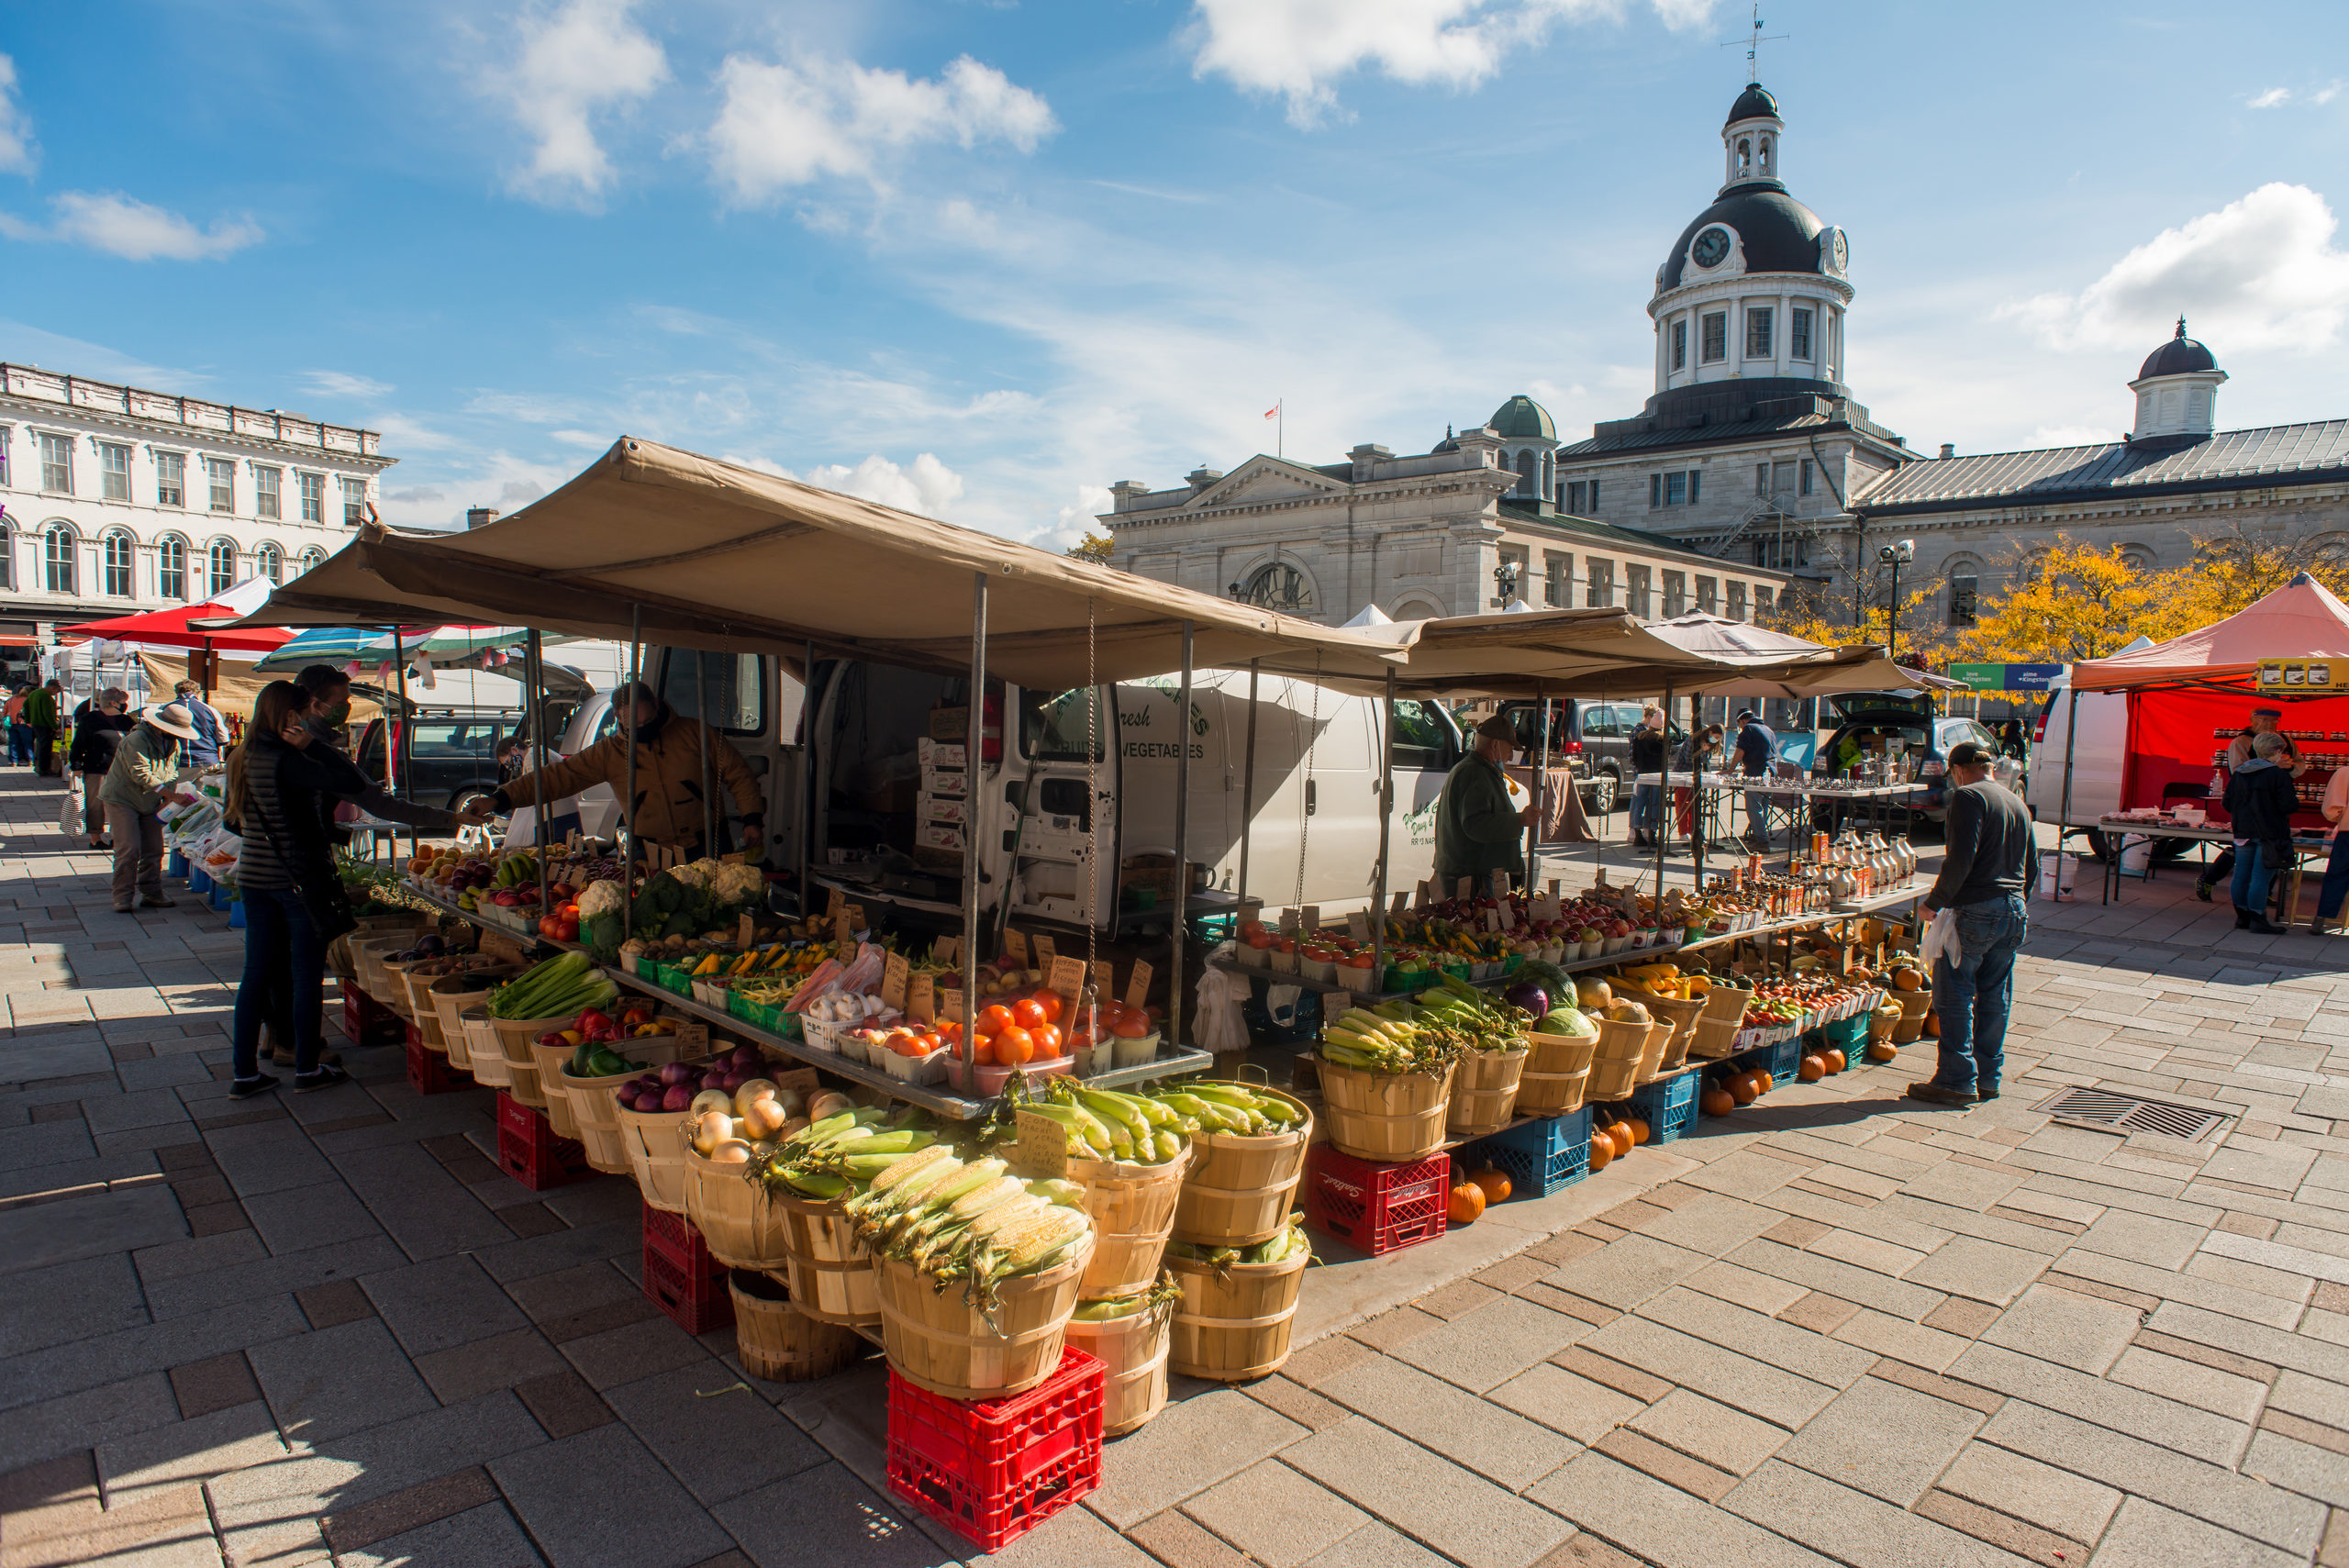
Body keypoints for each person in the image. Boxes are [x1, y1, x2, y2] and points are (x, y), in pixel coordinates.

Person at [225, 682, 478, 1099]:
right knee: (306, 974)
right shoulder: (291, 759)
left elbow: (234, 822)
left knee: (256, 974)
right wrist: (316, 746)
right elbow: (349, 780)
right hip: (297, 880)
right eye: (305, 714)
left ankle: (244, 1074)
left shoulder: (242, 755)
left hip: (254, 879)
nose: (310, 721)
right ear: (291, 716)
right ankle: (307, 1068)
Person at [488, 681, 764, 861]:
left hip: (707, 840)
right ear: (619, 718)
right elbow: (559, 777)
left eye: (647, 720)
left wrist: (752, 818)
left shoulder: (694, 733)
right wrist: (500, 798)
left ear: (657, 706)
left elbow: (738, 773)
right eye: (634, 725)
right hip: (650, 850)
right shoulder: (609, 752)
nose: (642, 729)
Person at [1909, 740, 2035, 1106]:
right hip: (2014, 908)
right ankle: (1988, 1078)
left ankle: (1956, 1079)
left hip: (1977, 908)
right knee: (1996, 996)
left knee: (1955, 994)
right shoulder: (2017, 802)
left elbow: (1960, 858)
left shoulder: (1968, 797)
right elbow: (2032, 867)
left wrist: (1933, 903)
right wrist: (2015, 901)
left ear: (1958, 769)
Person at [98, 702, 204, 912]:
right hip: (123, 799)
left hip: (150, 800)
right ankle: (122, 896)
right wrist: (171, 795)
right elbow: (140, 773)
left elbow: (172, 773)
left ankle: (152, 892)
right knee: (129, 848)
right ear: (160, 726)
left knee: (154, 849)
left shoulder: (173, 744)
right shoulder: (137, 739)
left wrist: (167, 799)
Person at [2199, 709, 2304, 900]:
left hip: (2270, 810)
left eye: (2274, 720)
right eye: (2264, 719)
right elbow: (2239, 771)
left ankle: (2260, 899)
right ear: (2252, 720)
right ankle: (2247, 902)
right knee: (2248, 860)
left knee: (2266, 856)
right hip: (2249, 808)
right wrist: (2273, 768)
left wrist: (2288, 768)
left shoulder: (2286, 741)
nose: (2269, 723)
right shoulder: (2241, 742)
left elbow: (2299, 765)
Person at [1434, 714, 1538, 892]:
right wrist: (1520, 820)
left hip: (1470, 871)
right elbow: (1475, 824)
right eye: (1510, 747)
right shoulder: (1475, 773)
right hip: (1468, 875)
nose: (1511, 754)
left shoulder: (1478, 770)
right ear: (1495, 744)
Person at [2222, 731, 2299, 936]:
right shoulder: (2277, 775)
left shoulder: (2240, 773)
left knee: (2241, 874)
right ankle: (2258, 917)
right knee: (2260, 877)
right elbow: (2289, 805)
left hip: (2243, 831)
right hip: (2269, 832)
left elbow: (2227, 803)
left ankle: (2242, 916)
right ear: (2277, 751)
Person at [69, 688, 137, 850]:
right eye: (122, 702)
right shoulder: (90, 719)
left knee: (121, 804)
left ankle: (116, 835)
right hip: (97, 768)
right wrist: (76, 765)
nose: (124, 705)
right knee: (96, 804)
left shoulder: (126, 721)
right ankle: (95, 837)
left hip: (122, 769)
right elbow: (78, 744)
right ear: (113, 703)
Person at [1672, 724, 1725, 852]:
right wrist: (1702, 750)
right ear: (1711, 732)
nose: (1716, 740)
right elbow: (1689, 758)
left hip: (1697, 778)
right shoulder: (1693, 739)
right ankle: (1683, 832)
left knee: (1694, 805)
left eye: (1718, 738)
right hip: (1683, 775)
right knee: (1683, 803)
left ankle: (1692, 830)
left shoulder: (1709, 742)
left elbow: (1705, 762)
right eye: (1716, 737)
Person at [2311, 760, 2349, 936]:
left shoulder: (2344, 773)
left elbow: (2333, 810)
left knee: (2337, 875)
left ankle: (2321, 918)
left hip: (2348, 832)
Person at [1732, 707, 1777, 850]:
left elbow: (1740, 750)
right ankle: (1759, 835)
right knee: (1763, 806)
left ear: (1742, 720)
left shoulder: (1748, 729)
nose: (1740, 728)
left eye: (1739, 724)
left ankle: (1761, 841)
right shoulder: (1768, 729)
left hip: (1756, 772)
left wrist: (1730, 768)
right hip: (1770, 772)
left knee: (1753, 807)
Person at [1628, 705, 1667, 850]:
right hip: (1657, 776)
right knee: (1654, 804)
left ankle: (1637, 833)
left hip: (1642, 774)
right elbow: (1664, 760)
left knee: (1639, 803)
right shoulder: (1662, 740)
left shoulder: (1639, 737)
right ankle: (1651, 833)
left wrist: (1640, 769)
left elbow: (1634, 757)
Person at [174, 680, 227, 768]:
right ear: (198, 693)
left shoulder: (165, 709)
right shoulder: (210, 710)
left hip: (176, 762)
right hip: (206, 761)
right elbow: (223, 739)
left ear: (177, 692)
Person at [23, 678, 62, 778]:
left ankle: (41, 767)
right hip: (44, 724)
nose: (56, 693)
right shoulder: (46, 696)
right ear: (53, 688)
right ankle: (44, 769)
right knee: (46, 747)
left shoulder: (34, 693)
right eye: (57, 691)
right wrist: (55, 726)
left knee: (41, 745)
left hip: (36, 723)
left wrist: (28, 720)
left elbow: (25, 705)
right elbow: (47, 714)